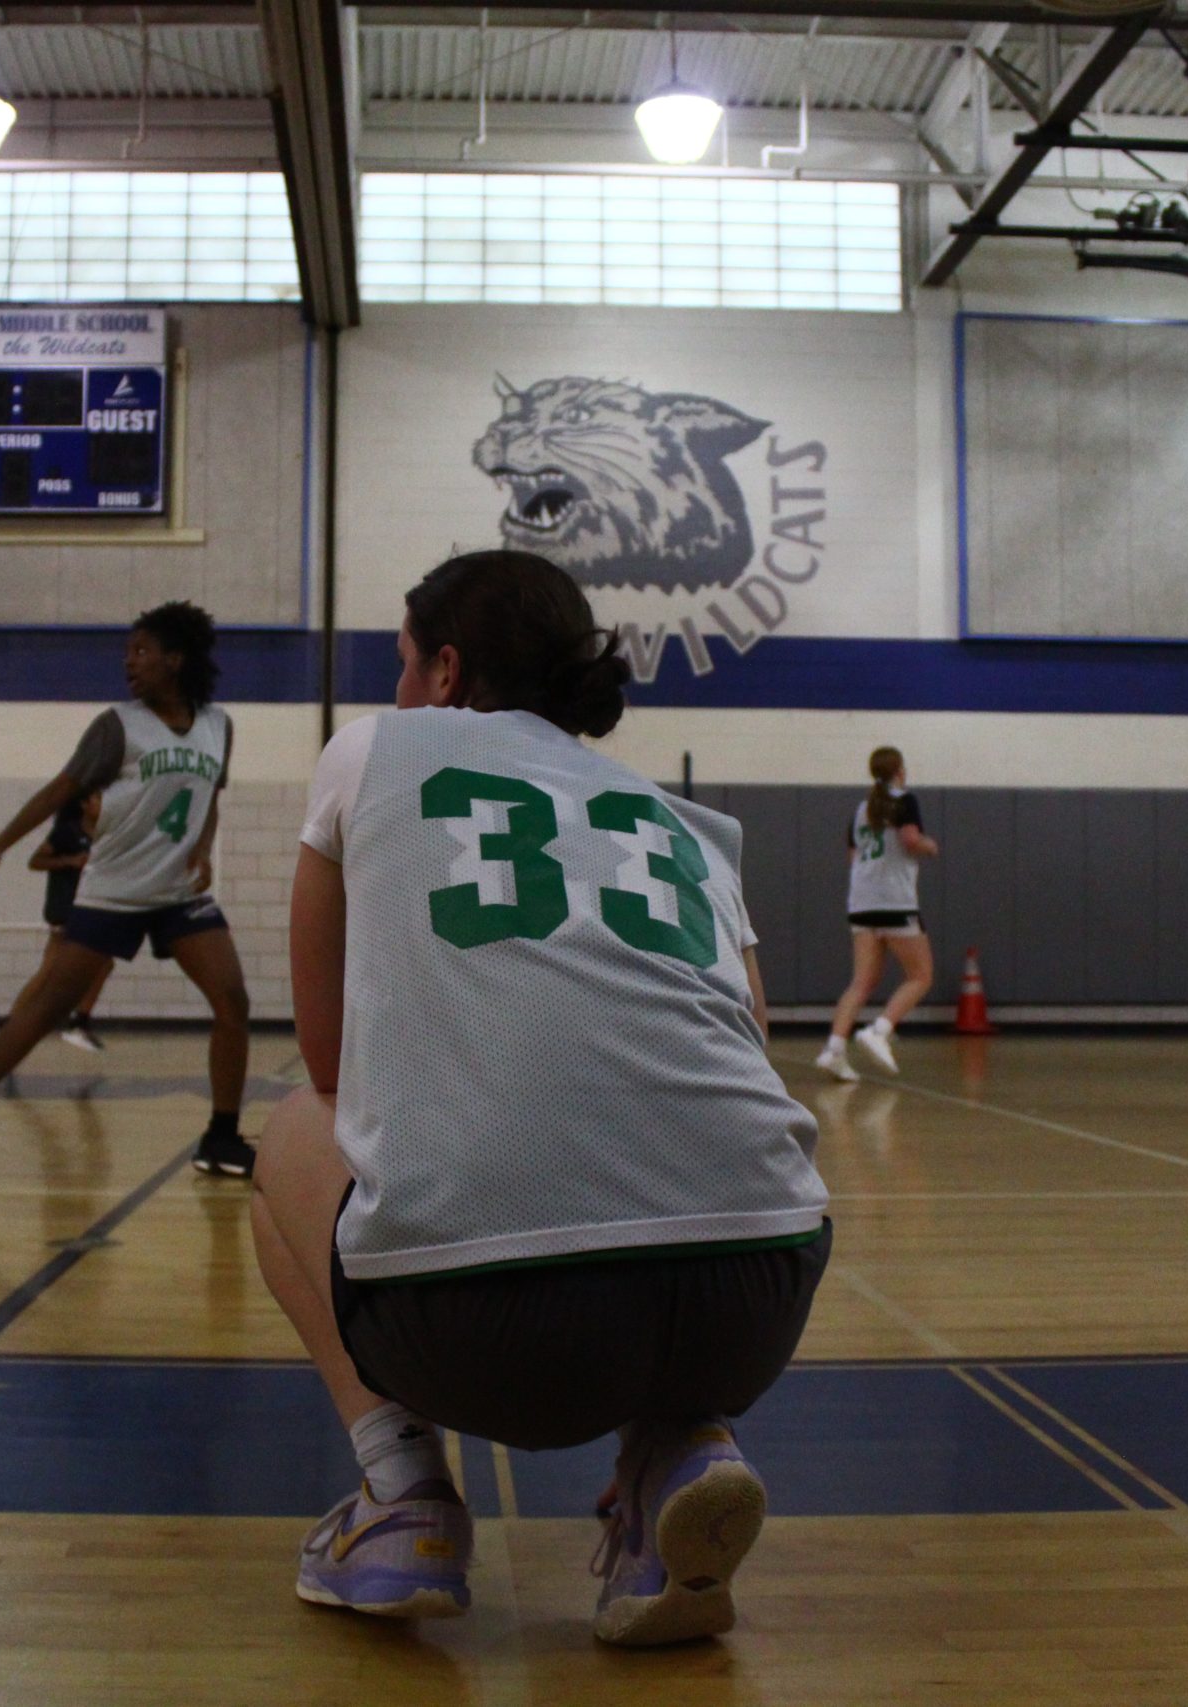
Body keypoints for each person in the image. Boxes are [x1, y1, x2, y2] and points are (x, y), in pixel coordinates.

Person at [253, 550, 829, 1647]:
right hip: (759, 1298)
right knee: (666, 1151)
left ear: (445, 671)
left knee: (291, 1128)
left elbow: (327, 1059)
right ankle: (680, 1455)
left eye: (401, 663)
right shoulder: (682, 821)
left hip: (496, 1335)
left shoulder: (374, 749)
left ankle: (401, 1502)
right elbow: (749, 1048)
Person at [0, 603, 254, 1178]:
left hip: (178, 893)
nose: (129, 661)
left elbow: (210, 798)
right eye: (128, 651)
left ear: (176, 659)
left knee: (233, 1003)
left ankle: (221, 1136)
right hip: (114, 889)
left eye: (141, 650)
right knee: (50, 1006)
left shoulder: (218, 725)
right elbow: (59, 790)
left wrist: (201, 848)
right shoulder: (116, 726)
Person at [815, 746, 940, 1082]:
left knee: (862, 982)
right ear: (899, 769)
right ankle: (880, 1030)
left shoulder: (861, 809)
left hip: (861, 902)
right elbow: (911, 840)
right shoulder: (904, 800)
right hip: (895, 902)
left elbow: (853, 855)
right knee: (921, 976)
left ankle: (834, 1049)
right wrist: (930, 846)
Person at [0, 792, 110, 1053]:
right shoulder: (67, 833)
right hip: (65, 909)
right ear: (83, 804)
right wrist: (69, 861)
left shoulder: (104, 833)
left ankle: (13, 1026)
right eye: (98, 798)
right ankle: (71, 1024)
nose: (104, 802)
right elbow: (35, 861)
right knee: (55, 973)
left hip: (88, 907)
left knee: (93, 965)